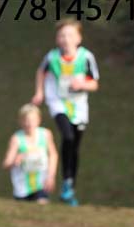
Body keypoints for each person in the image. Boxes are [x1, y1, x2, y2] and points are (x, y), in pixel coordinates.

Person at [31, 19, 99, 207]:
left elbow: (94, 83)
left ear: (78, 38)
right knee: (67, 137)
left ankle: (69, 186)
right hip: (58, 103)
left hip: (78, 108)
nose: (65, 38)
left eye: (69, 34)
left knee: (75, 146)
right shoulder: (52, 57)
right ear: (57, 39)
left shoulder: (86, 57)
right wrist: (39, 92)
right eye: (62, 35)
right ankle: (67, 184)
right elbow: (41, 72)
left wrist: (82, 84)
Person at [2, 104, 59, 203]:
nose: (29, 124)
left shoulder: (45, 135)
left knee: (42, 206)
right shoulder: (16, 139)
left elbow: (53, 155)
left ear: (39, 120)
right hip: (22, 187)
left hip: (40, 184)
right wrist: (15, 160)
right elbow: (6, 164)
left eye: (32, 120)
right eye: (26, 120)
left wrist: (51, 176)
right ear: (20, 121)